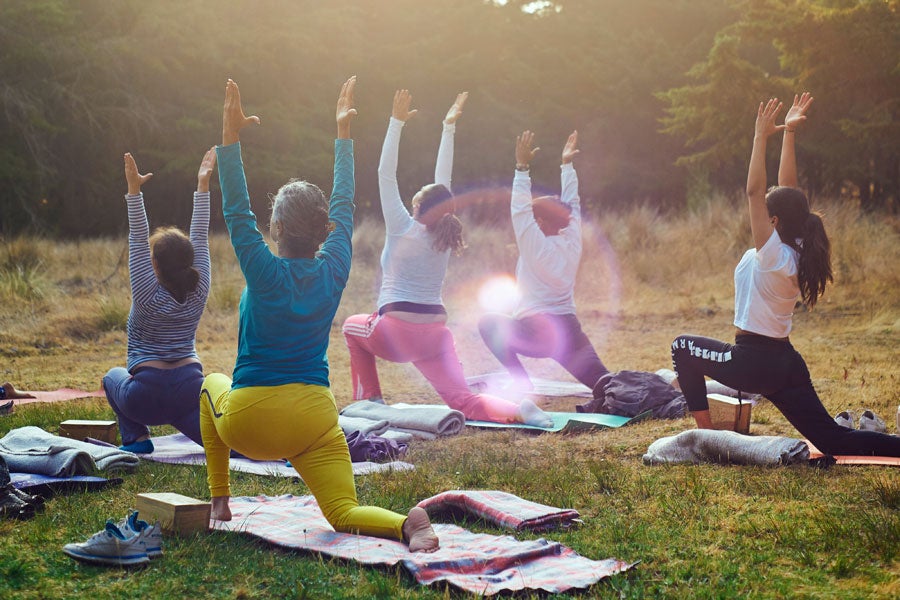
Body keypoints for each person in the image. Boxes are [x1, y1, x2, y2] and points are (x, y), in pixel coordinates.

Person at [199, 77, 439, 552]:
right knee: (342, 513)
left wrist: (230, 140)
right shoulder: (334, 270)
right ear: (324, 228)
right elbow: (345, 206)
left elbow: (236, 210)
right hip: (314, 418)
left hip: (251, 423)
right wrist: (343, 138)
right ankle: (405, 524)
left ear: (278, 228)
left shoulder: (263, 270)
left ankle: (220, 500)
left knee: (210, 382)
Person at [670, 93, 900, 457]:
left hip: (753, 362)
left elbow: (753, 190)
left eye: (766, 210)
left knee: (682, 347)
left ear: (773, 220)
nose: (760, 210)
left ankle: (710, 440)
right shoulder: (794, 246)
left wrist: (760, 137)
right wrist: (789, 134)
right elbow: (787, 190)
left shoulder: (774, 254)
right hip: (784, 364)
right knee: (834, 441)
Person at [341, 90, 552, 427]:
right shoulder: (443, 234)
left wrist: (396, 122)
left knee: (351, 327)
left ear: (416, 206)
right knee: (462, 400)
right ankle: (521, 410)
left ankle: (371, 401)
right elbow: (444, 182)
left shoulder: (402, 227)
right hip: (436, 334)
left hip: (394, 332)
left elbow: (385, 173)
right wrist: (448, 128)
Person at [478, 130, 610, 398]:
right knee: (608, 385)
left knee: (488, 323)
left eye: (536, 218)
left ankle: (520, 382)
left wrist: (522, 168)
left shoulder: (534, 247)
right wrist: (567, 166)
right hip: (569, 333)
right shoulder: (572, 240)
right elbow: (573, 204)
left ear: (541, 223)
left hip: (535, 333)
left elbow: (520, 211)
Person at [101, 148, 215, 454]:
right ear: (190, 262)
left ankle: (137, 439)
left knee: (111, 377)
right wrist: (203, 186)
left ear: (154, 265)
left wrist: (134, 190)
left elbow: (138, 236)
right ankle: (254, 445)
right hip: (190, 390)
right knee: (221, 442)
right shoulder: (200, 286)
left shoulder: (146, 292)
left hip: (145, 396)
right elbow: (200, 235)